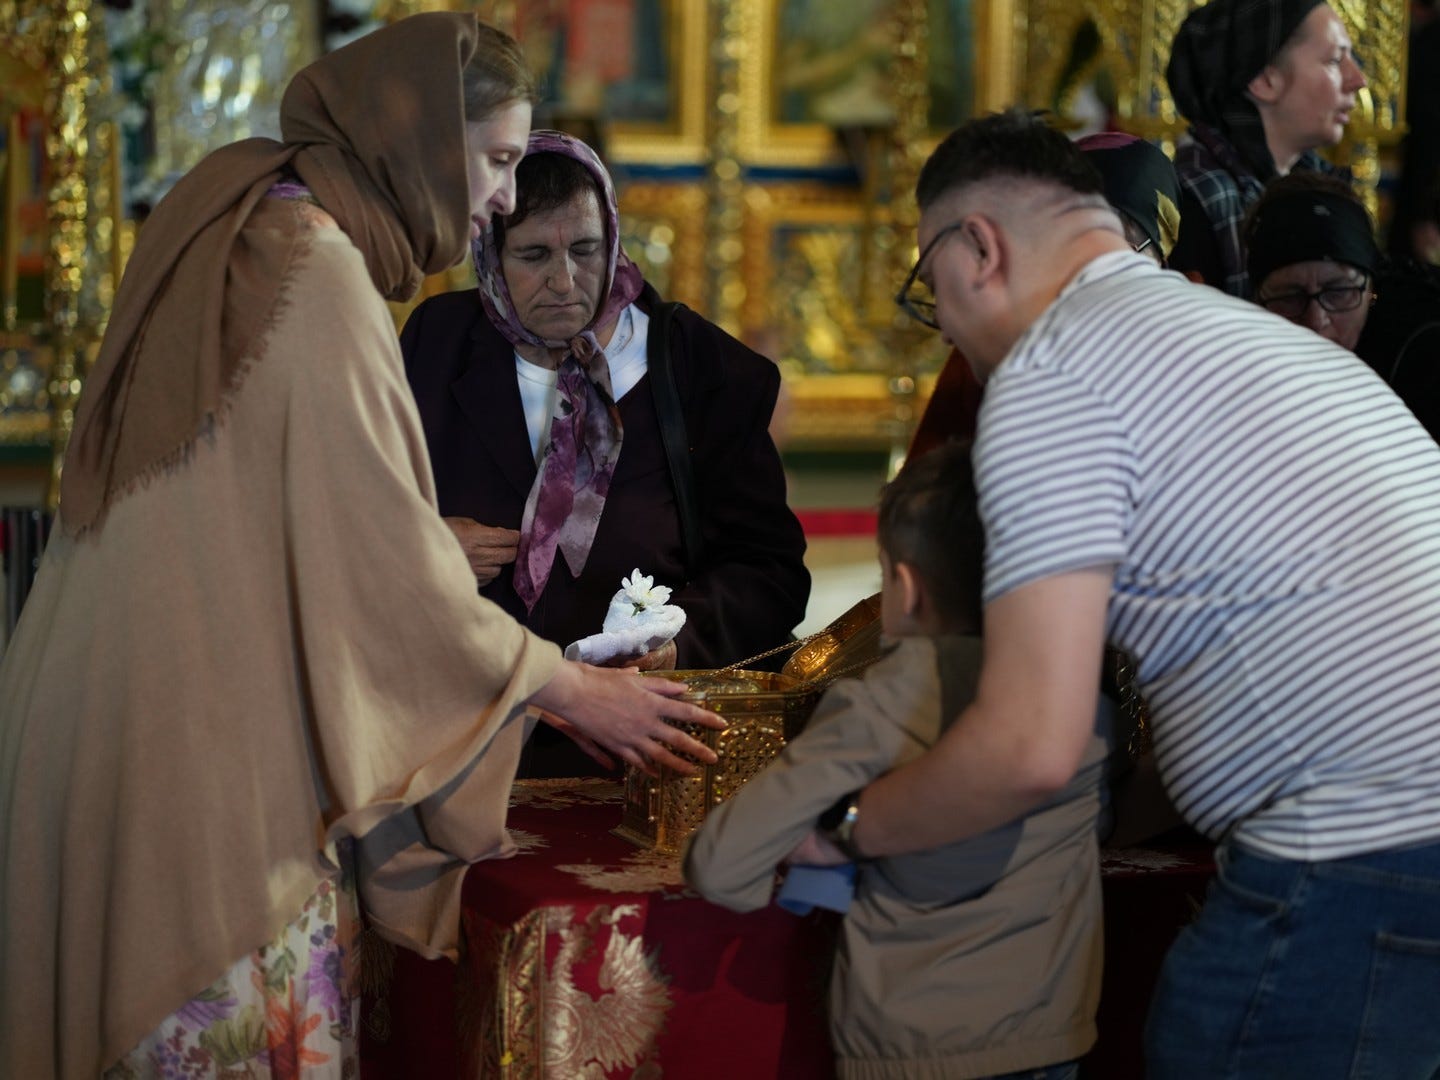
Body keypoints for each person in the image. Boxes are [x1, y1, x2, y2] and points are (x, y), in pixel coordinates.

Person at [0, 15, 725, 1077]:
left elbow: (257, 514)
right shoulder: (317, 270)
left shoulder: (246, 218)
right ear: (419, 139)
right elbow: (388, 578)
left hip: (101, 726)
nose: (501, 197)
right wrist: (571, 691)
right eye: (494, 160)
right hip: (208, 779)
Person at [791, 110, 1440, 1078]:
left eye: (932, 285)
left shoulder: (1055, 374)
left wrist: (848, 828)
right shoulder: (1258, 337)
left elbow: (1030, 745)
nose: (946, 327)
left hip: (1354, 851)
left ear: (979, 248)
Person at [685, 440, 1113, 1080]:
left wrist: (819, 844)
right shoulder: (1081, 704)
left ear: (905, 589)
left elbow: (721, 865)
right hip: (1052, 1033)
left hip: (914, 1043)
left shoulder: (879, 705)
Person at [400, 134, 808, 681]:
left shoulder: (700, 368)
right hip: (468, 701)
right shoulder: (437, 344)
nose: (564, 281)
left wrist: (677, 644)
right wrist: (417, 550)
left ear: (613, 240)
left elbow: (768, 572)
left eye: (586, 250)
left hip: (639, 715)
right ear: (491, 254)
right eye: (534, 255)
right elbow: (347, 506)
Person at [1165, 0, 1366, 296]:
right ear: (1264, 79)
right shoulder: (1192, 204)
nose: (1358, 80)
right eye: (1335, 60)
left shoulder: (1315, 184)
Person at [1245, 171, 1440, 441]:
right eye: (1289, 297)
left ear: (1372, 290)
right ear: (1254, 301)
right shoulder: (1238, 366)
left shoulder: (1423, 357)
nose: (1316, 320)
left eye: (1338, 292)